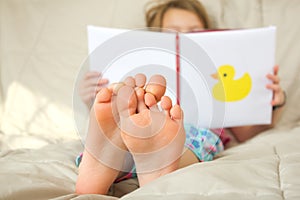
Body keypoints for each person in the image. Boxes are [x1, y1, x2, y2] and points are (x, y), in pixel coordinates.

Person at [76, 0, 286, 194]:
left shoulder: (219, 77)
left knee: (185, 139)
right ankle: (129, 155)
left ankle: (122, 159)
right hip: (141, 121)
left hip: (197, 128)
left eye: (194, 33)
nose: (184, 40)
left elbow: (244, 133)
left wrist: (268, 103)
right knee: (132, 130)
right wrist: (95, 98)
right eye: (172, 33)